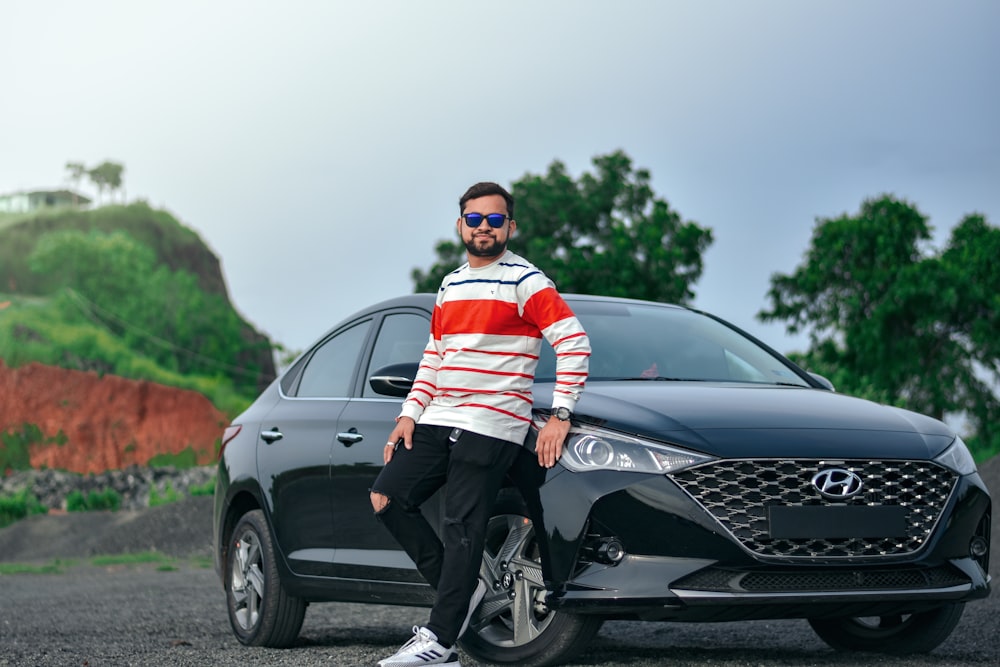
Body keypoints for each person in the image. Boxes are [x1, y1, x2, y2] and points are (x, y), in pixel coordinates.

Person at [370, 181, 591, 667]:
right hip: (439, 415)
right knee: (387, 498)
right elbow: (434, 355)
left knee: (460, 525)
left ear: (510, 226)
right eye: (475, 219)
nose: (485, 227)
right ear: (460, 224)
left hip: (493, 420)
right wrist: (408, 414)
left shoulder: (527, 282)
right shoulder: (450, 284)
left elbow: (573, 342)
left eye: (495, 219)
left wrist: (560, 415)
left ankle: (440, 641)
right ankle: (464, 590)